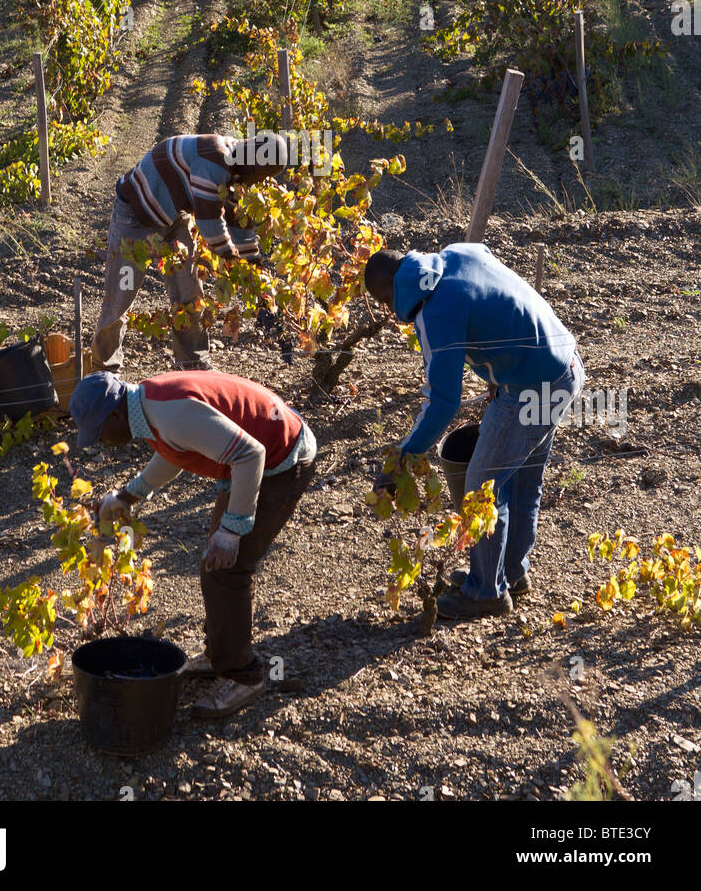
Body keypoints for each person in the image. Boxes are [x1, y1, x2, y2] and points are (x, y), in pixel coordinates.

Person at [69, 368, 317, 716]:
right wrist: (127, 495)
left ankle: (244, 676)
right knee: (213, 565)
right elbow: (175, 451)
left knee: (228, 569)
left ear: (114, 414)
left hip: (281, 459)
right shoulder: (150, 405)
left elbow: (251, 455)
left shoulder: (172, 413)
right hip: (247, 463)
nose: (101, 443)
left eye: (99, 433)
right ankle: (221, 656)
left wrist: (232, 531)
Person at [364, 243, 585, 621]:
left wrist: (405, 455)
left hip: (530, 389)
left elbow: (443, 401)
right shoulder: (459, 253)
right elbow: (495, 303)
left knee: (481, 488)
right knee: (521, 482)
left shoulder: (434, 313)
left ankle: (486, 592)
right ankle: (510, 574)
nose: (389, 312)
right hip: (564, 366)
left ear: (390, 295)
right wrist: (497, 369)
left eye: (385, 302)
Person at [91, 133, 288, 375]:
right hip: (135, 217)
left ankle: (193, 364)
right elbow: (209, 222)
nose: (259, 180)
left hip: (175, 218)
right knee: (121, 294)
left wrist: (257, 273)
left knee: (190, 291)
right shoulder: (216, 159)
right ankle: (103, 371)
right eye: (262, 173)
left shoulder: (239, 172)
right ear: (253, 159)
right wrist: (231, 259)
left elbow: (239, 225)